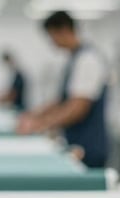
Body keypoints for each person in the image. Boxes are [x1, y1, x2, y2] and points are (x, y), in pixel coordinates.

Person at [18, 11, 109, 169]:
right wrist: (33, 115)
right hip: (76, 143)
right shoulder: (74, 59)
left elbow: (77, 107)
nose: (51, 42)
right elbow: (61, 100)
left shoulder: (88, 60)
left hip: (88, 146)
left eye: (52, 36)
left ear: (64, 30)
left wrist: (41, 124)